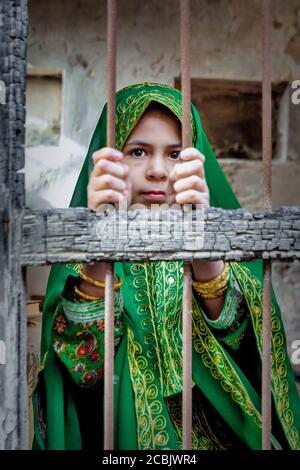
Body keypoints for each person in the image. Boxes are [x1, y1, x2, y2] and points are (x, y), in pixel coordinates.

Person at [32, 82, 300, 450]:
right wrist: (100, 239)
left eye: (175, 154)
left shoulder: (226, 248)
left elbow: (248, 346)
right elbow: (82, 371)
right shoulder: (82, 259)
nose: (158, 170)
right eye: (138, 151)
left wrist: (203, 242)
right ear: (109, 159)